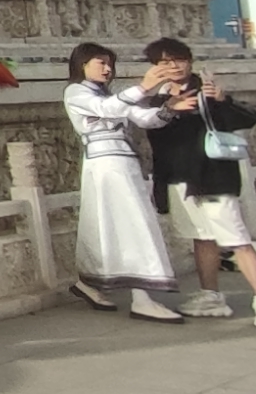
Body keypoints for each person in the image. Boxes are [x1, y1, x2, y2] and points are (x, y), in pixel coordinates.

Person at [141, 37, 256, 328]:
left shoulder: (207, 92)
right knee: (202, 238)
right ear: (156, 67)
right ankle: (211, 296)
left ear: (189, 61)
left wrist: (221, 100)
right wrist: (168, 106)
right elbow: (153, 134)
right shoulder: (159, 99)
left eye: (179, 59)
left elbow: (250, 117)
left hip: (213, 179)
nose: (174, 66)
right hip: (179, 181)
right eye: (165, 62)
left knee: (237, 240)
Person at [62, 41, 186, 322]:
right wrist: (144, 86)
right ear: (82, 65)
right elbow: (106, 108)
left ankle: (90, 282)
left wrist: (170, 107)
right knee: (132, 223)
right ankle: (142, 297)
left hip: (122, 163)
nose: (107, 69)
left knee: (109, 225)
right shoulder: (76, 92)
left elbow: (142, 117)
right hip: (106, 165)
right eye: (100, 63)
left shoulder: (111, 95)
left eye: (109, 64)